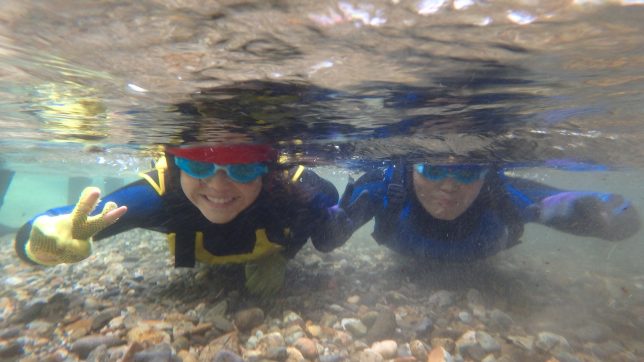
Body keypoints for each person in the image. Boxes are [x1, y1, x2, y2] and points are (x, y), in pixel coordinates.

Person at [13, 144, 362, 297]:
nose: (219, 186)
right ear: (177, 165)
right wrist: (40, 242)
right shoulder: (161, 195)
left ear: (267, 172)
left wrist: (285, 256)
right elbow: (61, 225)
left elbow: (328, 225)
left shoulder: (299, 190)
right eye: (197, 165)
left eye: (241, 168)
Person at [324, 161, 640, 262]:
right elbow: (325, 239)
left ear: (485, 174)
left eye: (467, 170)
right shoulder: (386, 189)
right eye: (433, 169)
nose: (450, 186)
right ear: (410, 168)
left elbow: (621, 216)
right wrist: (331, 230)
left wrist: (597, 216)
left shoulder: (501, 197)